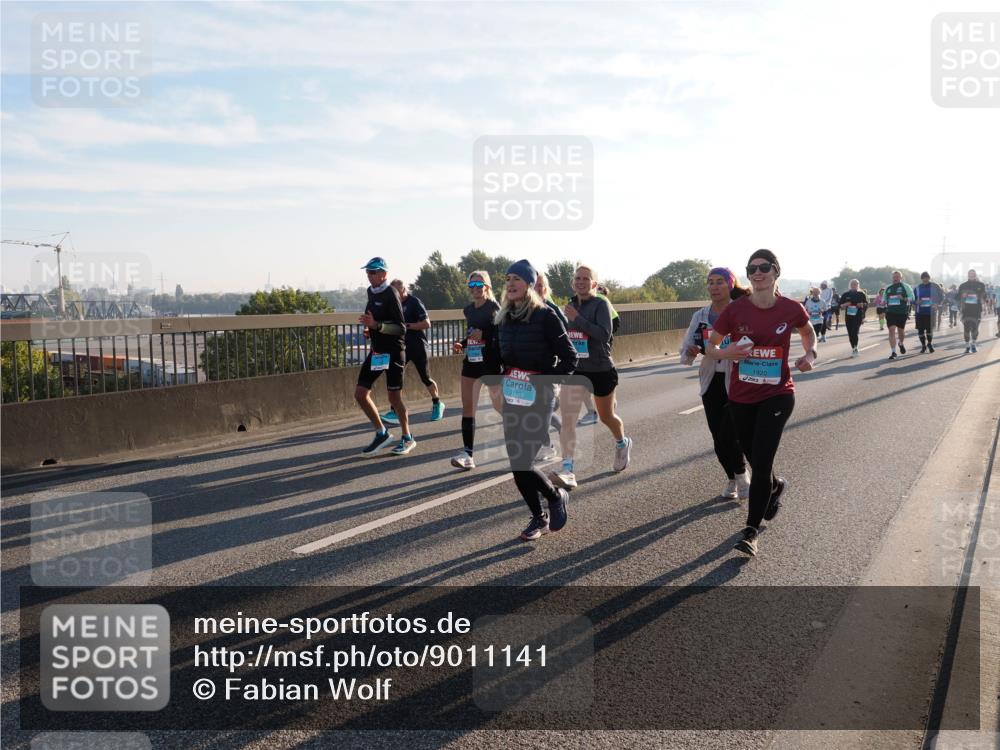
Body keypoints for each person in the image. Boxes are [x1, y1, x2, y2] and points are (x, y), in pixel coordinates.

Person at [707, 249, 816, 557]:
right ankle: (776, 486)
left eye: (764, 267)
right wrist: (726, 353)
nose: (757, 272)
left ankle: (751, 532)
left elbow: (808, 333)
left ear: (775, 271)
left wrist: (810, 354)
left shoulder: (791, 308)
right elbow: (711, 346)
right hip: (741, 397)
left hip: (777, 394)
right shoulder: (736, 310)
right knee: (755, 458)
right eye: (752, 268)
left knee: (763, 461)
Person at [496, 260, 577, 541]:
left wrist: (543, 379)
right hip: (513, 396)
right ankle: (538, 517)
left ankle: (555, 497)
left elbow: (570, 357)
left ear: (529, 284)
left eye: (516, 279)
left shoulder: (545, 316)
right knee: (516, 463)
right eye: (508, 279)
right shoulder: (503, 317)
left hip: (539, 398)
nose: (510, 283)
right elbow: (498, 355)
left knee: (523, 461)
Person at [550, 265, 633, 490]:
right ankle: (567, 469)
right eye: (577, 278)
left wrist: (577, 319)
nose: (581, 282)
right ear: (572, 283)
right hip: (576, 370)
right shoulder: (570, 305)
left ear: (594, 283)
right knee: (568, 419)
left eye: (586, 279)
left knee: (607, 416)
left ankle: (622, 443)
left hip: (601, 369)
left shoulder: (600, 304)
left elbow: (603, 334)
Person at [680, 267, 750, 500]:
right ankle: (732, 478)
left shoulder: (742, 311)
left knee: (730, 433)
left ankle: (742, 475)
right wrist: (691, 351)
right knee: (718, 438)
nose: (714, 286)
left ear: (730, 285)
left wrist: (730, 351)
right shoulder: (700, 316)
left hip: (738, 378)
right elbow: (687, 348)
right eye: (710, 282)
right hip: (711, 379)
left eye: (720, 281)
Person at [355, 257, 415, 456]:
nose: (369, 275)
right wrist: (369, 328)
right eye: (368, 272)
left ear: (384, 274)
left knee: (394, 398)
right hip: (377, 352)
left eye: (373, 272)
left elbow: (401, 328)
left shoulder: (391, 293)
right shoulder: (370, 292)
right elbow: (373, 319)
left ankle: (407, 437)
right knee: (360, 393)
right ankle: (381, 432)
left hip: (394, 352)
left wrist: (377, 326)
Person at [450, 270, 504, 470]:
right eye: (472, 285)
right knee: (468, 408)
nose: (475, 289)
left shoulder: (494, 308)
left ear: (487, 287)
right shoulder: (469, 310)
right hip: (472, 362)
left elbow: (502, 333)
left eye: (479, 285)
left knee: (500, 406)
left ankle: (528, 437)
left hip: (490, 364)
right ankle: (468, 455)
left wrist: (486, 334)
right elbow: (473, 333)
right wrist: (462, 343)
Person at [380, 280, 444, 426]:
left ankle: (437, 403)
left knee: (425, 377)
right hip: (401, 347)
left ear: (404, 290)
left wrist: (407, 326)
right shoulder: (392, 304)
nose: (396, 295)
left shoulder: (414, 302)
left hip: (417, 345)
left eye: (398, 292)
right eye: (393, 293)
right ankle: (395, 411)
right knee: (396, 378)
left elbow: (426, 323)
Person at [532, 273, 564, 464]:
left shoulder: (551, 310)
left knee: (541, 411)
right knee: (536, 411)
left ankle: (551, 441)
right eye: (534, 285)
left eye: (541, 286)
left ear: (546, 289)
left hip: (547, 370)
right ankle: (549, 443)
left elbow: (565, 339)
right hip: (527, 371)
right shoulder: (522, 309)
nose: (538, 289)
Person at [883, 271, 914, 360]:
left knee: (901, 331)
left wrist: (903, 298)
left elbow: (912, 298)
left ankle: (901, 343)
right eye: (894, 277)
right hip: (890, 312)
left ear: (901, 278)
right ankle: (893, 352)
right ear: (892, 278)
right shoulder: (888, 288)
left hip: (902, 312)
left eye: (897, 277)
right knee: (891, 330)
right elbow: (884, 299)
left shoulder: (906, 286)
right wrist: (884, 302)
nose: (895, 278)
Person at [957, 269, 988, 353]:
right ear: (968, 275)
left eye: (973, 274)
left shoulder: (981, 285)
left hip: (977, 310)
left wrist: (983, 299)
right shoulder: (963, 285)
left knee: (975, 328)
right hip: (966, 310)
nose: (971, 275)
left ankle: (973, 344)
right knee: (966, 328)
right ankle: (967, 346)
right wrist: (962, 296)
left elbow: (984, 296)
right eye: (970, 274)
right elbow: (957, 297)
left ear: (975, 275)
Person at [913, 272, 943, 353]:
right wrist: (916, 302)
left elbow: (941, 296)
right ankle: (923, 346)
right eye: (923, 278)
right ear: (921, 279)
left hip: (931, 312)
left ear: (929, 278)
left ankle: (929, 343)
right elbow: (912, 299)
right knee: (920, 331)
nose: (925, 279)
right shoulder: (917, 288)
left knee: (929, 330)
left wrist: (937, 304)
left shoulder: (935, 286)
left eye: (926, 277)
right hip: (920, 312)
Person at [838, 279, 869, 356]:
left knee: (854, 331)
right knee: (850, 333)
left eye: (856, 284)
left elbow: (866, 304)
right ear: (850, 285)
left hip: (858, 315)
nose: (854, 285)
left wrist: (862, 304)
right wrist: (845, 305)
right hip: (848, 316)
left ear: (858, 285)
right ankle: (854, 347)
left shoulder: (861, 294)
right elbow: (840, 305)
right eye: (852, 284)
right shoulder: (845, 294)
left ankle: (855, 349)